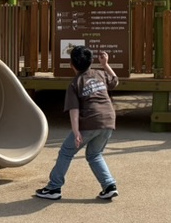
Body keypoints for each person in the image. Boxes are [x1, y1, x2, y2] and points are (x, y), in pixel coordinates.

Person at [35, 47, 119, 201]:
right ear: (91, 61)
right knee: (94, 154)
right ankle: (109, 185)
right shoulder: (100, 73)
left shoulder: (75, 84)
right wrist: (105, 64)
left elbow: (74, 110)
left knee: (66, 152)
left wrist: (76, 132)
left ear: (71, 64)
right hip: (108, 121)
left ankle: (54, 187)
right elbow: (115, 81)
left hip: (89, 122)